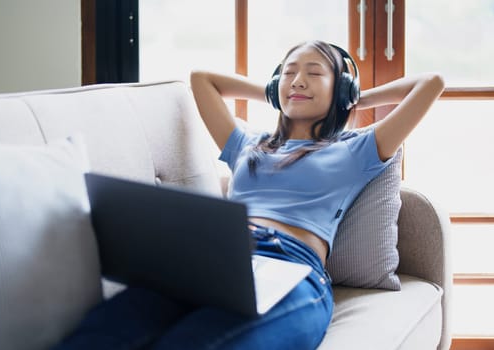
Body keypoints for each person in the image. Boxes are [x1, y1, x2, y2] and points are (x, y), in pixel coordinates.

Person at [54, 40, 444, 350]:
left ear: (340, 88)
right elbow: (202, 79)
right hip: (214, 261)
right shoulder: (248, 144)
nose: (298, 81)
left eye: (313, 73)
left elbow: (431, 84)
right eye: (289, 73)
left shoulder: (355, 150)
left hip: (293, 269)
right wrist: (277, 91)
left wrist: (354, 97)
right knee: (105, 332)